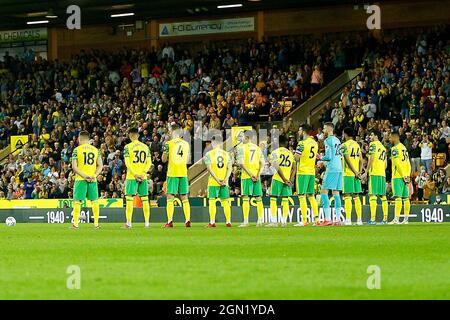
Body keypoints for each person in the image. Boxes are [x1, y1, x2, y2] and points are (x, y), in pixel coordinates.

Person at [71, 131, 103, 229]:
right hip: (92, 179)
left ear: (79, 139)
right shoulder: (96, 150)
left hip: (80, 179)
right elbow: (100, 165)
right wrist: (94, 175)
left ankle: (76, 224)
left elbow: (74, 167)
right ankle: (96, 224)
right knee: (94, 201)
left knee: (77, 201)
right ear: (88, 139)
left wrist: (84, 176)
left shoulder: (76, 150)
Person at [162, 124, 191, 228]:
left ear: (172, 132)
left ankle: (169, 221)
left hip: (173, 173)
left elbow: (164, 159)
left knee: (170, 197)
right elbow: (188, 160)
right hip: (183, 172)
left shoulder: (168, 144)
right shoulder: (186, 144)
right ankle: (187, 220)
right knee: (184, 197)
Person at [123, 128, 153, 229]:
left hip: (132, 176)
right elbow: (149, 162)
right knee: (145, 199)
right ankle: (147, 223)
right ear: (138, 135)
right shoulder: (145, 147)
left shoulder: (128, 147)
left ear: (130, 136)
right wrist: (143, 173)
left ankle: (129, 223)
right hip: (143, 176)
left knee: (129, 200)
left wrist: (135, 174)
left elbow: (127, 163)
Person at [236, 130, 265, 227]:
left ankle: (246, 221)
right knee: (258, 198)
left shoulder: (241, 148)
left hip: (247, 176)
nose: (242, 138)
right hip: (256, 175)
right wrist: (258, 174)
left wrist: (250, 174)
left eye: (243, 136)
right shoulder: (257, 148)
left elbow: (241, 163)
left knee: (245, 197)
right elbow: (263, 163)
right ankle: (260, 220)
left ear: (246, 137)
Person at [204, 135, 233, 228]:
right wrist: (225, 179)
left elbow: (209, 169)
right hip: (224, 181)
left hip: (213, 181)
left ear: (212, 143)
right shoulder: (226, 154)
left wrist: (217, 179)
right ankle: (228, 221)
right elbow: (230, 168)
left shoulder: (208, 154)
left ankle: (212, 222)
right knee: (225, 202)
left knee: (212, 201)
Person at [293, 124, 319, 226]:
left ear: (303, 132)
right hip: (311, 172)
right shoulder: (315, 143)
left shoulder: (301, 143)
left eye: (300, 130)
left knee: (302, 196)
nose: (299, 132)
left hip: (303, 172)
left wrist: (293, 154)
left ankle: (304, 220)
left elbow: (296, 158)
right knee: (311, 196)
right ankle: (316, 219)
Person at [267, 135, 295, 227]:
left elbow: (276, 166)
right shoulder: (290, 153)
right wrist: (290, 179)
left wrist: (283, 179)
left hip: (278, 178)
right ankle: (284, 221)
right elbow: (294, 168)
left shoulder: (275, 152)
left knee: (273, 198)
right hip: (287, 179)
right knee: (285, 199)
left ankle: (274, 221)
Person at [320, 122, 343, 226]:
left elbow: (329, 156)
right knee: (336, 193)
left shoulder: (328, 140)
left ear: (329, 129)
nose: (323, 130)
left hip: (332, 168)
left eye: (324, 128)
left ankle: (328, 218)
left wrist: (320, 157)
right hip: (339, 168)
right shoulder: (337, 140)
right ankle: (337, 219)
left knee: (324, 190)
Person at [340, 127, 363, 226]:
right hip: (356, 174)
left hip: (348, 174)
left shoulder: (344, 145)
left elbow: (347, 159)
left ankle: (348, 219)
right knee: (357, 196)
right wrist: (359, 172)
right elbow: (361, 160)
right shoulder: (357, 145)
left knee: (347, 196)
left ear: (345, 134)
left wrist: (354, 171)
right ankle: (359, 220)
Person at [389, 132, 412, 225]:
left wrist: (403, 175)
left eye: (391, 137)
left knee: (398, 198)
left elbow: (397, 164)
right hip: (406, 175)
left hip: (398, 176)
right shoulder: (404, 148)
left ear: (395, 137)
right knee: (406, 198)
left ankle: (396, 219)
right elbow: (408, 162)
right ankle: (406, 219)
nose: (390, 139)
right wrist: (407, 175)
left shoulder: (394, 149)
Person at [366, 130, 388, 225]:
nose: (370, 136)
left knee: (372, 196)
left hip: (374, 173)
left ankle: (373, 219)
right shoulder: (383, 148)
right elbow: (386, 164)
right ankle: (385, 219)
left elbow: (371, 158)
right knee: (383, 196)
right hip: (382, 173)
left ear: (376, 136)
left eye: (371, 134)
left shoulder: (373, 145)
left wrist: (366, 171)